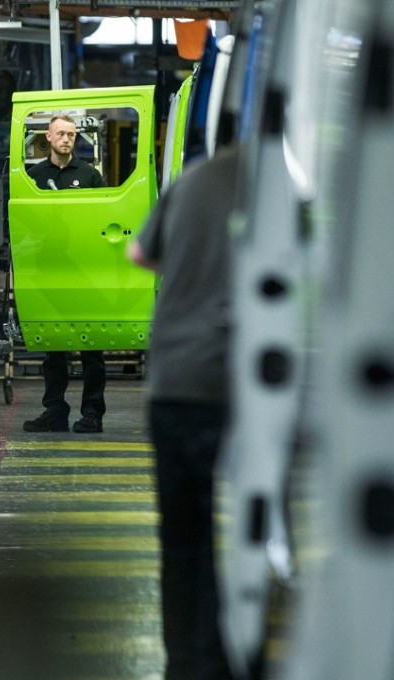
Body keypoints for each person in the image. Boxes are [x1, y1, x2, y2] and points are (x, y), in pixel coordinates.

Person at [127, 143, 241, 680]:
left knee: (181, 539)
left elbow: (138, 255)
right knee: (235, 533)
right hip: (229, 385)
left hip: (173, 382)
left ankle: (181, 664)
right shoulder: (281, 187)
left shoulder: (192, 182)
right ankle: (218, 659)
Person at [22, 113, 108, 433]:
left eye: (71, 135)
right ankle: (55, 411)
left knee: (91, 349)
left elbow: (102, 221)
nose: (67, 139)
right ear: (49, 136)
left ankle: (92, 413)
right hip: (49, 272)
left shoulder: (90, 175)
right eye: (61, 134)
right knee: (54, 349)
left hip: (84, 273)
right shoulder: (33, 175)